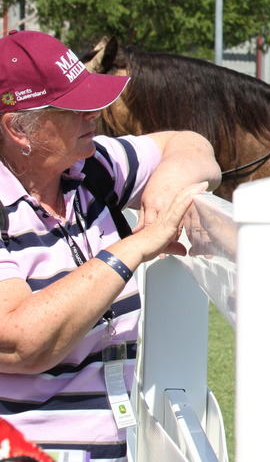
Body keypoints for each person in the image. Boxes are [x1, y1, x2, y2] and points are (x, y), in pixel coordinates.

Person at [0, 30, 221, 462]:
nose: (95, 114)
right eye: (74, 107)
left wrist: (167, 186)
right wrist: (133, 248)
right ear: (18, 129)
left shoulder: (91, 166)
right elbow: (20, 341)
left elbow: (192, 144)